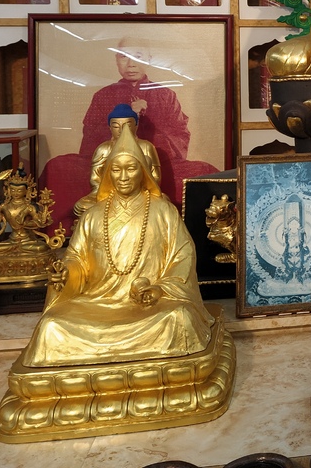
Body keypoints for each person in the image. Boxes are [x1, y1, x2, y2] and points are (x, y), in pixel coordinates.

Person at [21, 128, 215, 367]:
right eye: (116, 169)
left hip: (150, 305)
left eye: (131, 168)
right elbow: (77, 259)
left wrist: (160, 288)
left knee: (178, 318)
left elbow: (182, 255)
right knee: (51, 326)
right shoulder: (92, 216)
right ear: (107, 173)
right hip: (97, 302)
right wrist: (66, 273)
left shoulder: (163, 211)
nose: (123, 176)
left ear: (143, 171)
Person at [39, 42, 217, 230]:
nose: (131, 64)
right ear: (116, 60)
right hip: (110, 165)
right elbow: (90, 140)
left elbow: (179, 137)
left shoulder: (165, 95)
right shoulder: (103, 95)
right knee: (56, 166)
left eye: (138, 56)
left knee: (203, 171)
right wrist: (123, 123)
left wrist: (147, 121)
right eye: (124, 56)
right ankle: (65, 233)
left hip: (155, 162)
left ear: (149, 60)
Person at [73, 104, 162, 217]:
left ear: (136, 126)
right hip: (109, 194)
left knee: (162, 205)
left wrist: (139, 190)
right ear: (110, 127)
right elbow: (95, 178)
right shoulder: (103, 149)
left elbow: (155, 177)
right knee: (82, 206)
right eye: (116, 126)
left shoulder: (146, 147)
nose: (121, 130)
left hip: (140, 193)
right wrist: (104, 192)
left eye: (127, 125)